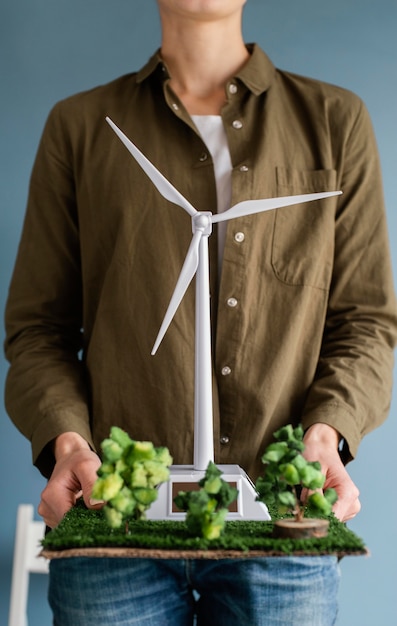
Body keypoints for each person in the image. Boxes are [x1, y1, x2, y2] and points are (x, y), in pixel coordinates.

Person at [4, 1, 397, 624]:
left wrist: (327, 433)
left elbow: (367, 323)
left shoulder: (334, 120)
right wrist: (66, 443)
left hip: (282, 519)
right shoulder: (81, 126)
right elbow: (38, 330)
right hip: (114, 518)